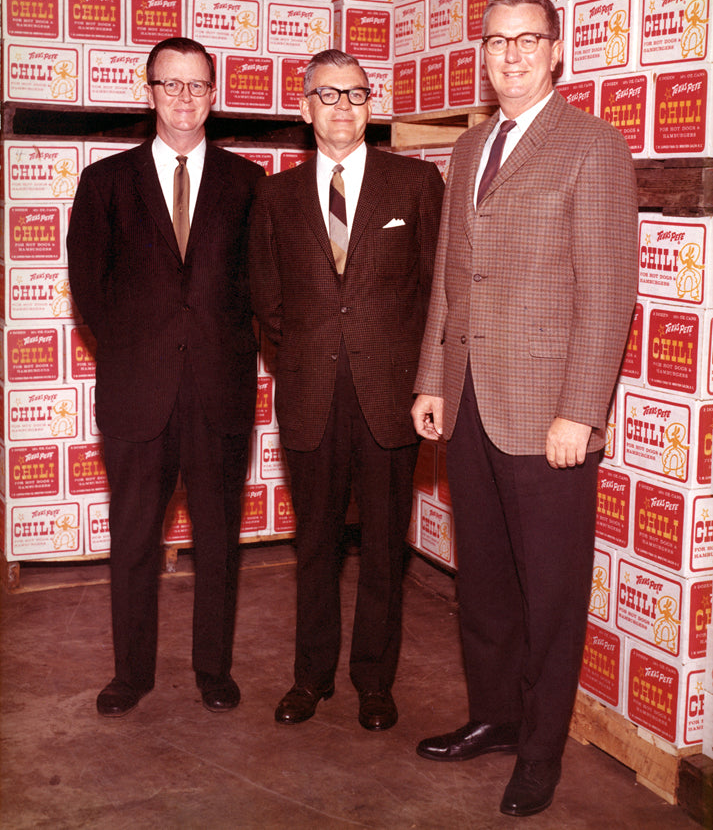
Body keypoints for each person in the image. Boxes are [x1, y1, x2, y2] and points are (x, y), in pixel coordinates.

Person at [411, 0, 638, 817]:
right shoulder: (469, 149)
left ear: (555, 52)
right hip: (470, 400)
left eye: (525, 40)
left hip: (547, 412)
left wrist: (580, 408)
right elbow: (447, 276)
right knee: (486, 585)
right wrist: (432, 379)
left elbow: (608, 291)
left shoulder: (592, 146)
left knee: (547, 591)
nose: (507, 55)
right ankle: (494, 718)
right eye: (494, 41)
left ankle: (539, 751)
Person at [67, 37, 265, 718]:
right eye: (170, 84)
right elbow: (88, 289)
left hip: (220, 392)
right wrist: (137, 354)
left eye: (198, 85)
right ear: (147, 91)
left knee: (218, 541)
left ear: (213, 94)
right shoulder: (105, 183)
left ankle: (214, 669)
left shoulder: (247, 183)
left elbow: (259, 288)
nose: (184, 98)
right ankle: (131, 675)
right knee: (133, 543)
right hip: (137, 394)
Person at [249, 49, 444, 732]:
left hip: (389, 398)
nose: (341, 107)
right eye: (325, 95)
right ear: (304, 110)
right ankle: (310, 678)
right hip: (310, 396)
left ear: (371, 104)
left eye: (355, 94)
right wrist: (306, 361)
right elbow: (267, 303)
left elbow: (433, 293)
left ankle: (373, 681)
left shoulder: (416, 185)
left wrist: (422, 381)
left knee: (385, 549)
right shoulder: (272, 197)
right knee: (316, 548)